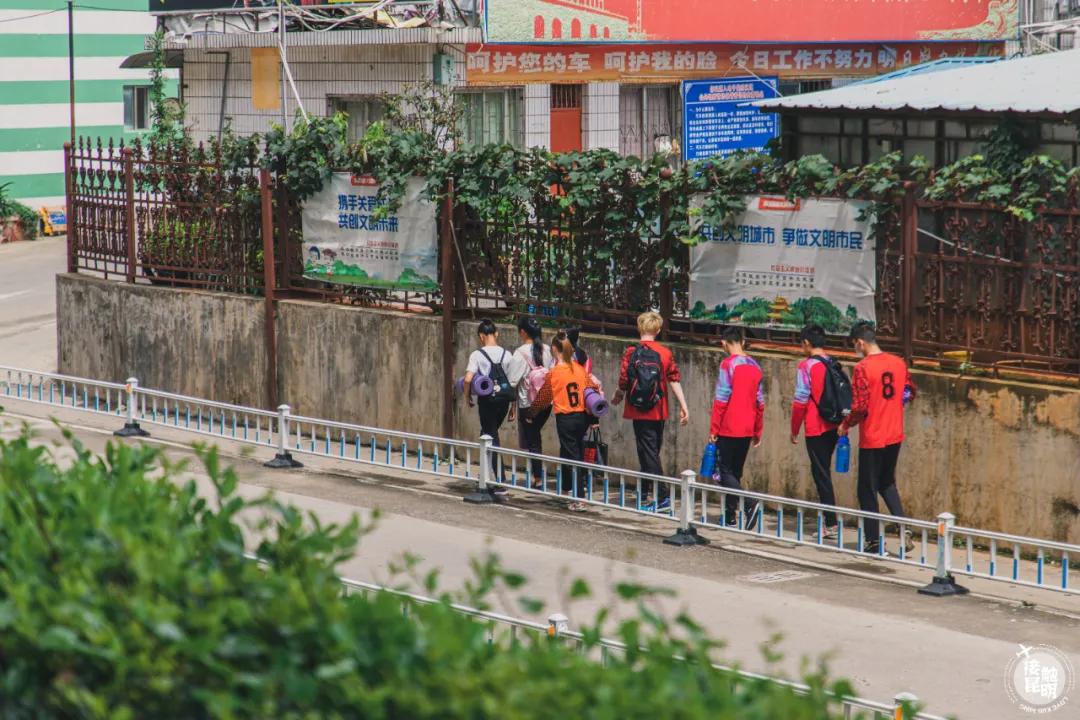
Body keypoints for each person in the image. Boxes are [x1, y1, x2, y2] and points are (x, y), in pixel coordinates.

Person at [839, 321, 917, 555]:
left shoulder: (863, 368)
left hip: (873, 435)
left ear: (860, 342)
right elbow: (909, 390)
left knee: (867, 489)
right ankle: (903, 526)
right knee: (887, 482)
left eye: (855, 344)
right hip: (895, 432)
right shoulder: (898, 362)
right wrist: (893, 406)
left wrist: (846, 424)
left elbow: (860, 406)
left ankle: (873, 541)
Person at [611, 311, 689, 513]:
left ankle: (662, 497)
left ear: (639, 328)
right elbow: (674, 379)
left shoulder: (631, 352)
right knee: (651, 451)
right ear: (659, 330)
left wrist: (618, 395)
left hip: (638, 409)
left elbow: (624, 380)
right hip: (658, 408)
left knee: (648, 453)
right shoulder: (665, 353)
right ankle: (645, 492)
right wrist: (684, 405)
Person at [530, 331, 599, 512]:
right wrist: (593, 418)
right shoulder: (579, 368)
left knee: (572, 456)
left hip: (565, 418)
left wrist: (531, 413)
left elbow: (543, 398)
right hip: (582, 417)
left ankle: (579, 497)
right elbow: (592, 390)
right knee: (575, 452)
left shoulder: (554, 373)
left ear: (554, 348)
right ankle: (569, 490)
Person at [464, 319, 526, 498]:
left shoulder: (477, 355)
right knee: (488, 434)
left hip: (487, 402)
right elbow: (513, 381)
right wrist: (513, 406)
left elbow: (468, 379)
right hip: (503, 403)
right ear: (497, 334)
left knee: (491, 436)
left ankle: (499, 481)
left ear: (481, 336)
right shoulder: (507, 354)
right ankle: (485, 475)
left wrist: (467, 396)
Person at [709, 326, 764, 530]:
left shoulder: (727, 365)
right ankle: (730, 517)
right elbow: (760, 402)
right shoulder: (755, 365)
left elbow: (721, 399)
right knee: (735, 472)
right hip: (748, 426)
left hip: (729, 426)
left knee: (724, 472)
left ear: (724, 343)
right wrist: (758, 430)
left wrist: (714, 428)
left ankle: (749, 504)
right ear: (743, 341)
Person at [790, 324, 840, 539]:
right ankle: (830, 521)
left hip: (815, 426)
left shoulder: (807, 366)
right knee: (824, 471)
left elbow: (801, 400)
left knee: (821, 474)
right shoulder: (833, 363)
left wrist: (794, 428)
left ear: (807, 343)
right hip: (834, 425)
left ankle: (831, 524)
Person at [514, 317, 554, 486]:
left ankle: (537, 478)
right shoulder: (547, 350)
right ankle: (536, 475)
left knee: (533, 440)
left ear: (522, 332)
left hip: (528, 404)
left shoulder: (520, 353)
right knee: (534, 437)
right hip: (545, 403)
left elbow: (512, 380)